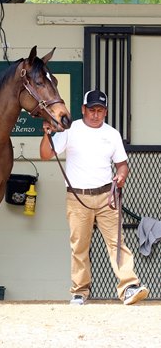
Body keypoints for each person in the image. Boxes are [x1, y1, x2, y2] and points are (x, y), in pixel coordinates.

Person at [39, 89, 149, 305]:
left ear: (105, 112)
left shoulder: (112, 134)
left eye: (100, 110)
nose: (95, 114)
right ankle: (79, 291)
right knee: (79, 245)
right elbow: (45, 155)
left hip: (107, 196)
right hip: (77, 197)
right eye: (91, 110)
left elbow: (122, 164)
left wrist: (121, 176)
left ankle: (128, 287)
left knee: (117, 243)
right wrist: (47, 134)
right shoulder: (71, 130)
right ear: (83, 109)